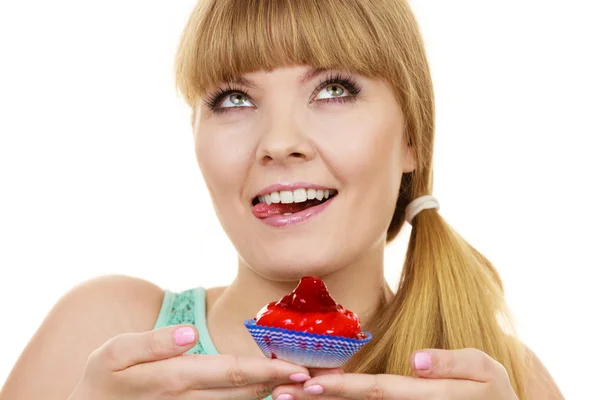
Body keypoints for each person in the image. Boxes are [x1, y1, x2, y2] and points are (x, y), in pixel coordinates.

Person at [0, 0, 563, 399]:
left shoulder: (501, 379)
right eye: (234, 98)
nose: (278, 143)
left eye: (334, 90)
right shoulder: (110, 335)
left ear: (412, 136)